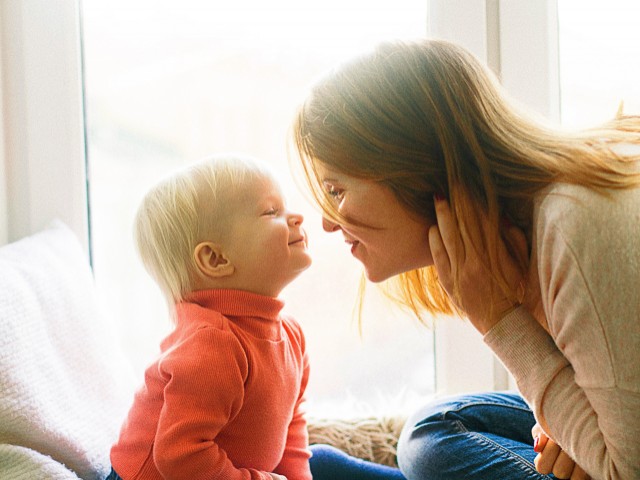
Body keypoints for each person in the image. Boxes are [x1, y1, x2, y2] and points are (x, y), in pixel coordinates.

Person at [290, 38, 640, 480]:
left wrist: (501, 320)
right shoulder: (533, 231)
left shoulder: (573, 226)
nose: (326, 222)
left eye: (336, 191)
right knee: (434, 430)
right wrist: (566, 429)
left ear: (411, 165)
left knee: (422, 451)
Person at [107, 154, 313, 480]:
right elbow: (181, 456)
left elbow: (291, 424)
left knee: (326, 458)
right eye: (272, 212)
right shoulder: (213, 344)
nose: (296, 216)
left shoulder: (291, 336)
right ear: (215, 259)